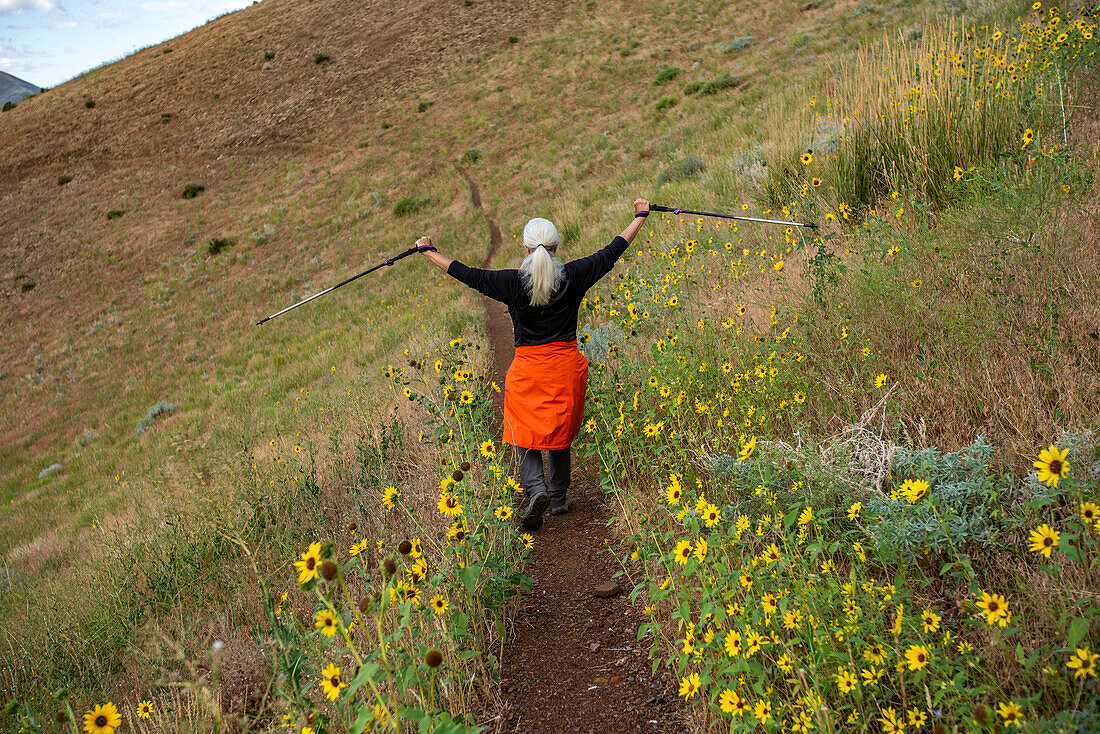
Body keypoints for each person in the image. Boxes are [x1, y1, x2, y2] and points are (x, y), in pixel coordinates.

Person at [415, 198, 651, 530]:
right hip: (565, 367)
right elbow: (612, 250)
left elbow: (467, 274)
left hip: (527, 369)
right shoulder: (574, 275)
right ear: (557, 247)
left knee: (523, 432)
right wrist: (639, 216)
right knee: (559, 430)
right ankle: (557, 498)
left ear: (526, 249)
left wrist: (429, 252)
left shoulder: (512, 283)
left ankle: (535, 489)